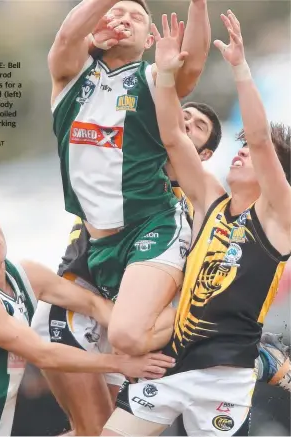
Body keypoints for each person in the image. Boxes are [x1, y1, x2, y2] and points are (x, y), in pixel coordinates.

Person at [101, 10, 291, 436]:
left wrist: (240, 66)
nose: (242, 152)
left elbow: (260, 139)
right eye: (237, 148)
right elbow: (173, 138)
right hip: (174, 362)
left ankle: (261, 357)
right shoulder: (210, 201)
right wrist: (165, 77)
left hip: (225, 377)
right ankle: (266, 355)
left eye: (255, 156)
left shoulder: (280, 216)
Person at [32, 98, 222, 435]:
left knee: (98, 431)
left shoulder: (200, 209)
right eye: (184, 115)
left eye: (198, 126)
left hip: (122, 327)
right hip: (77, 310)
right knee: (95, 430)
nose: (187, 123)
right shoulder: (127, 175)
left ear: (205, 154)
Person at [49, 0, 211, 361]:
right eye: (115, 12)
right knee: (126, 352)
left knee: (127, 337)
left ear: (150, 38)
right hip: (102, 245)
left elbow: (194, 60)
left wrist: (198, 5)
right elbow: (67, 36)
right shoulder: (71, 72)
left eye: (136, 17)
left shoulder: (156, 79)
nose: (125, 19)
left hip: (151, 225)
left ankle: (221, 308)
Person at [0, 195, 174, 437]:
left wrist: (137, 333)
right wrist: (122, 364)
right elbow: (43, 355)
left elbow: (92, 304)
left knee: (97, 433)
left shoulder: (26, 274)